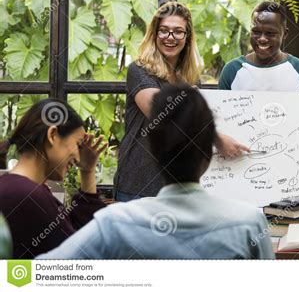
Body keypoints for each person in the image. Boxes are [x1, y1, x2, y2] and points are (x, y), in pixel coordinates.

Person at [39, 84, 275, 259]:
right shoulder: (249, 224)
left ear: (153, 150)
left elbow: (28, 277)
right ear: (207, 152)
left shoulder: (115, 224)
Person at [114, 1, 248, 202]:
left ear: (187, 37)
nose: (170, 37)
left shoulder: (191, 78)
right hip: (137, 183)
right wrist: (218, 139)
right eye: (164, 31)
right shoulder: (140, 70)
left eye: (178, 32)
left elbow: (191, 126)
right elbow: (161, 114)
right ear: (154, 34)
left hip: (177, 188)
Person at [0, 98, 107, 258]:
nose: (79, 157)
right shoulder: (29, 196)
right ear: (52, 135)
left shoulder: (22, 188)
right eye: (78, 145)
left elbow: (78, 231)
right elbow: (84, 252)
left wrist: (87, 170)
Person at [218, 1, 299, 92]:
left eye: (270, 33)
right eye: (256, 32)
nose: (262, 39)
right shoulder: (232, 71)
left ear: (285, 34)